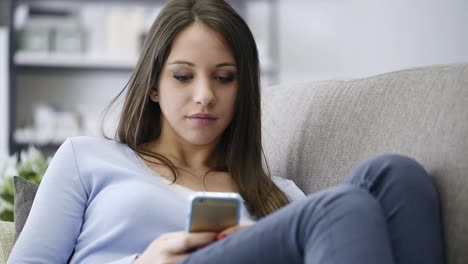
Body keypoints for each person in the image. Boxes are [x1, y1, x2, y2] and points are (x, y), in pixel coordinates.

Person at [8, 0, 445, 263]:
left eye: (224, 77)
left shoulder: (279, 194)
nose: (204, 96)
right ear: (154, 86)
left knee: (396, 175)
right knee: (341, 208)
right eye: (182, 77)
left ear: (243, 90)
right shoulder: (87, 160)